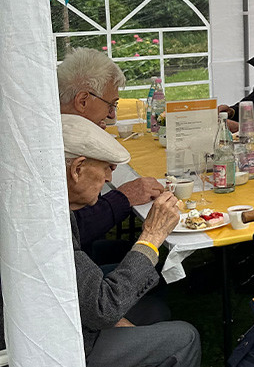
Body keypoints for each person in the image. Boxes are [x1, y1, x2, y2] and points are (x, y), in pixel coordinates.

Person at [30, 114, 200, 366]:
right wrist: (151, 237)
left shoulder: (41, 204)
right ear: (77, 169)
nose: (109, 179)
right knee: (185, 336)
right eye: (107, 168)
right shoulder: (44, 224)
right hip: (49, 344)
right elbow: (102, 309)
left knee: (155, 309)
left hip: (54, 314)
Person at [57, 48, 164, 250]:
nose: (111, 116)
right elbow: (72, 229)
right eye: (110, 105)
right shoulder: (51, 145)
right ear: (82, 101)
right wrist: (123, 197)